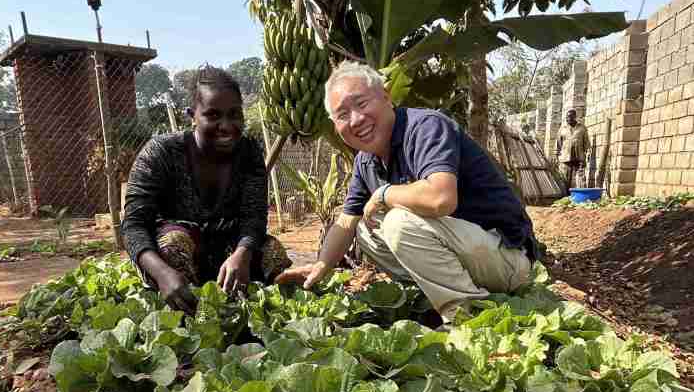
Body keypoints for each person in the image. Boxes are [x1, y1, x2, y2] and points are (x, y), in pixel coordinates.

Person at [277, 61, 537, 320]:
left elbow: (441, 198)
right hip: (469, 255)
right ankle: (438, 294)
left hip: (507, 259)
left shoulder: (425, 127)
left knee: (397, 223)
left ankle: (464, 314)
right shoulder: (365, 160)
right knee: (365, 229)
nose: (356, 120)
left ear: (386, 97)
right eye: (342, 115)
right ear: (335, 124)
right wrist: (321, 266)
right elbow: (346, 222)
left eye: (361, 104)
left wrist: (383, 194)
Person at [121, 69, 289, 314]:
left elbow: (254, 217)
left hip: (224, 253)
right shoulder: (161, 153)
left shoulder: (249, 152)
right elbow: (134, 225)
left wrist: (242, 254)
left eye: (234, 115)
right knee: (174, 245)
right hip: (175, 258)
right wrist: (163, 273)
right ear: (192, 116)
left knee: (272, 252)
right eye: (213, 115)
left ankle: (255, 316)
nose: (226, 126)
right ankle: (186, 314)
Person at [556, 108, 591, 189]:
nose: (568, 119)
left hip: (579, 158)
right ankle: (565, 196)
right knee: (564, 180)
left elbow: (587, 143)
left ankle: (580, 196)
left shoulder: (582, 128)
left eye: (570, 117)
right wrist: (557, 154)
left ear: (575, 117)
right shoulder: (562, 129)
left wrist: (588, 154)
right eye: (567, 117)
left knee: (580, 180)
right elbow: (558, 143)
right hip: (566, 158)